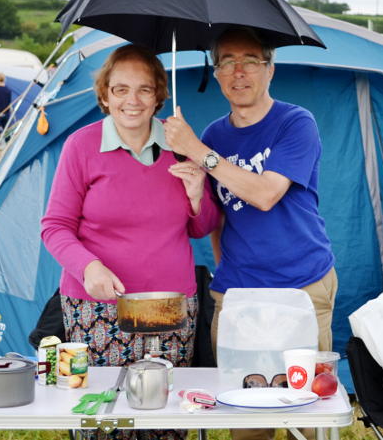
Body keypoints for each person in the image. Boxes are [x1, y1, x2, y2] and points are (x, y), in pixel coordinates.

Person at [41, 45, 220, 438]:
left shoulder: (181, 144)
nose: (132, 100)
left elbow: (202, 225)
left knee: (164, 415)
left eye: (143, 89)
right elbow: (54, 227)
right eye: (120, 90)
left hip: (170, 307)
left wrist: (196, 194)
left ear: (159, 94)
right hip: (96, 307)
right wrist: (87, 267)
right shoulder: (81, 147)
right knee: (102, 415)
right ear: (104, 96)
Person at [164, 26, 337, 397]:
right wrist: (226, 265)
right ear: (216, 74)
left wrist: (197, 150)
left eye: (249, 61)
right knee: (245, 410)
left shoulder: (295, 123)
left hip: (302, 284)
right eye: (226, 62)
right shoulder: (214, 135)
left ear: (270, 69)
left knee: (306, 408)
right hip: (238, 293)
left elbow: (265, 194)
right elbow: (217, 217)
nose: (238, 72)